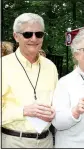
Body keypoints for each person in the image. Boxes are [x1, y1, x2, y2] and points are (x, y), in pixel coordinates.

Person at [2, 13, 58, 148]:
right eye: (28, 34)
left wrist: (55, 113)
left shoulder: (50, 67)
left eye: (39, 34)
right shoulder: (3, 66)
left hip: (47, 141)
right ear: (16, 36)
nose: (34, 38)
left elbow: (57, 102)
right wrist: (23, 111)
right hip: (14, 141)